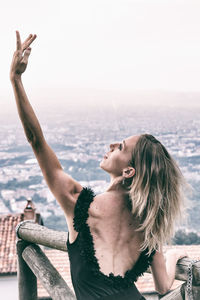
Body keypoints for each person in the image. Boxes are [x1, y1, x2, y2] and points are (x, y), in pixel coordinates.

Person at [10, 31, 187, 300]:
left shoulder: (78, 203)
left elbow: (36, 141)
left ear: (129, 172)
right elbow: (163, 287)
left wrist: (16, 79)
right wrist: (173, 255)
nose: (112, 145)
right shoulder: (148, 223)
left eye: (121, 147)